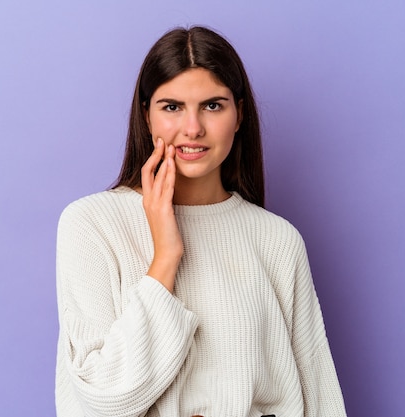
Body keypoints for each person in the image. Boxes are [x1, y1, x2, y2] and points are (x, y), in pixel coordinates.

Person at [55, 26, 347, 417]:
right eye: (172, 107)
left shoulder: (277, 240)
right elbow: (103, 400)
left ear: (239, 114)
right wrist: (166, 257)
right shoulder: (91, 225)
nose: (192, 128)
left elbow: (320, 396)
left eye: (213, 105)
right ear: (147, 116)